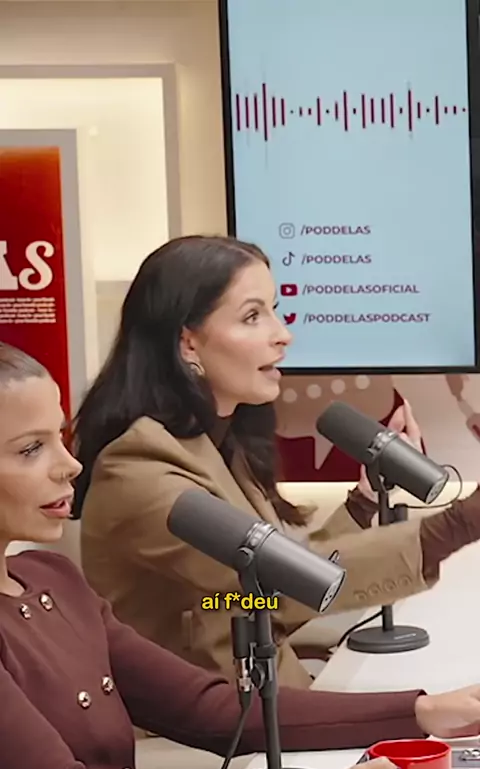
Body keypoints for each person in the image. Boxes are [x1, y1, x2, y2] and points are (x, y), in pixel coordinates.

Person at [3, 340, 480, 769]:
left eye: (60, 438)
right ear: (188, 341)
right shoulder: (143, 470)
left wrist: (422, 711)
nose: (71, 465)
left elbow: (209, 709)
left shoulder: (53, 580)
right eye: (30, 449)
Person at [73, 235, 480, 689]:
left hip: (267, 697)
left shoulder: (216, 446)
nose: (283, 334)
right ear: (188, 343)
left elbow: (272, 586)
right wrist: (457, 524)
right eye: (253, 316)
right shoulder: (139, 472)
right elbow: (280, 589)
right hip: (213, 722)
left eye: (274, 310)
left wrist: (364, 502)